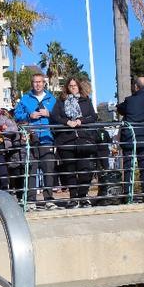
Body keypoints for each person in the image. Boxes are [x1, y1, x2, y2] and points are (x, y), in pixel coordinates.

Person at [50, 77, 98, 208]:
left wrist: (80, 121)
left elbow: (93, 117)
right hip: (66, 140)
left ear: (79, 86)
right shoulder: (61, 101)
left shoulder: (85, 100)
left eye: (75, 85)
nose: (72, 88)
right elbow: (55, 116)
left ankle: (82, 196)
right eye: (70, 86)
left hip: (83, 139)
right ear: (67, 87)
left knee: (85, 170)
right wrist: (67, 122)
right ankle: (73, 197)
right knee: (70, 170)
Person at [14, 72, 58, 209]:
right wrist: (29, 115)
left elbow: (60, 115)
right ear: (32, 83)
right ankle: (31, 201)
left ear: (44, 83)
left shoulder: (52, 99)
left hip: (47, 138)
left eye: (40, 81)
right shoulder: (25, 98)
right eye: (35, 82)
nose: (38, 84)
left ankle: (49, 199)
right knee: (31, 169)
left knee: (48, 169)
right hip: (30, 138)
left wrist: (49, 114)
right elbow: (16, 115)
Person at [117, 76, 144, 200]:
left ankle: (129, 194)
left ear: (136, 86)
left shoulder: (130, 100)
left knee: (129, 166)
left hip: (130, 138)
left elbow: (120, 108)